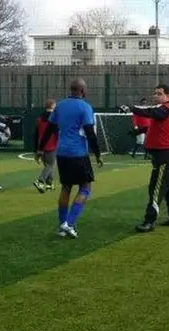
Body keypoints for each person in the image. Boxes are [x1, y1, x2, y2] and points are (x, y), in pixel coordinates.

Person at [37, 78, 103, 238]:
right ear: (83, 91)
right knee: (85, 187)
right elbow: (90, 132)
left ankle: (61, 225)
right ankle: (70, 223)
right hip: (78, 153)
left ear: (71, 90)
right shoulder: (85, 107)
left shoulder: (60, 106)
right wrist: (98, 153)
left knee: (66, 188)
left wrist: (40, 148)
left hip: (62, 153)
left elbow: (50, 129)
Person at [129, 84, 169, 233]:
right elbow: (154, 125)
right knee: (166, 187)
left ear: (168, 96)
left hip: (165, 156)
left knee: (156, 188)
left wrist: (132, 108)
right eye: (155, 93)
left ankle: (149, 221)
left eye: (159, 93)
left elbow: (152, 113)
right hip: (160, 156)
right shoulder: (162, 111)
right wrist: (139, 131)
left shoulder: (166, 109)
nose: (156, 96)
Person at [33, 99, 58, 193]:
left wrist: (36, 149)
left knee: (48, 165)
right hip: (52, 144)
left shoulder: (39, 118)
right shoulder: (55, 117)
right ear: (53, 106)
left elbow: (35, 133)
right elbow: (56, 132)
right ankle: (40, 181)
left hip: (41, 145)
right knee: (50, 165)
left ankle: (49, 184)